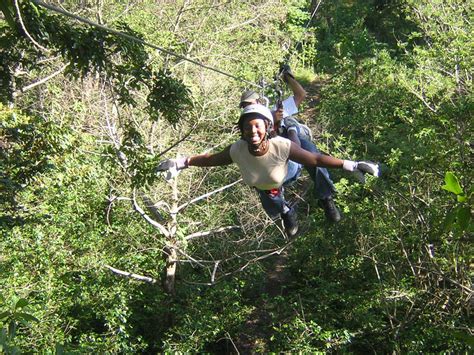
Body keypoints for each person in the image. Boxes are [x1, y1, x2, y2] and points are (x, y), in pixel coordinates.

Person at [156, 104, 379, 238]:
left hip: (289, 170)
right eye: (247, 127)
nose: (252, 130)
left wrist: (351, 164)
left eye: (257, 126)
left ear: (266, 129)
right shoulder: (237, 150)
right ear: (241, 131)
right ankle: (286, 212)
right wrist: (181, 162)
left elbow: (316, 159)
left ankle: (326, 198)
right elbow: (209, 159)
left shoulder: (278, 145)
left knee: (306, 149)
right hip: (267, 185)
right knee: (273, 204)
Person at [239, 66, 342, 222]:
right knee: (259, 179)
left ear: (259, 102)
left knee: (313, 154)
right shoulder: (248, 124)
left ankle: (326, 197)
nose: (249, 108)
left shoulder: (277, 110)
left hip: (292, 145)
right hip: (273, 159)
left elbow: (300, 94)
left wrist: (288, 77)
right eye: (245, 106)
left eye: (250, 103)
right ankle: (284, 210)